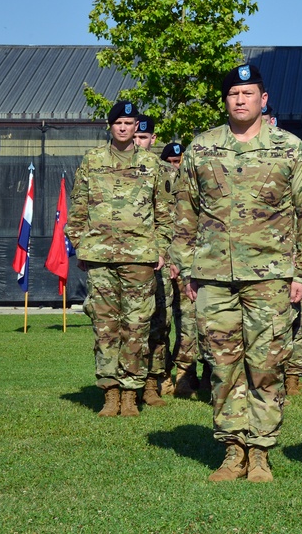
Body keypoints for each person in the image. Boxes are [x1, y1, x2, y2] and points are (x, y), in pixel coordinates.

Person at [171, 63, 302, 482]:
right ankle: (232, 449)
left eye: (248, 93)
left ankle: (259, 451)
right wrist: (186, 268)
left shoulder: (290, 149)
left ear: (264, 98)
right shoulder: (201, 149)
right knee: (222, 365)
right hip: (214, 276)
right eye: (233, 95)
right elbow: (183, 213)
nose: (240, 100)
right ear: (225, 101)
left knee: (266, 364)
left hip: (271, 276)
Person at [66, 100, 172, 418]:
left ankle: (131, 393)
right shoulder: (92, 160)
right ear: (110, 126)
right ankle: (110, 392)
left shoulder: (153, 165)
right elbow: (79, 205)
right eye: (118, 123)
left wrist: (161, 249)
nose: (124, 128)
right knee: (105, 327)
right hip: (99, 255)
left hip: (140, 255)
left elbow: (164, 211)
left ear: (137, 126)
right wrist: (79, 243)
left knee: (137, 326)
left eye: (129, 123)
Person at [158, 142, 208, 398]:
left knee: (191, 323)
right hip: (165, 264)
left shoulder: (195, 185)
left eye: (179, 162)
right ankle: (162, 375)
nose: (174, 166)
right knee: (162, 323)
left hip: (192, 263)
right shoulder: (158, 183)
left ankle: (186, 376)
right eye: (171, 161)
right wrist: (168, 259)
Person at [132, 114, 174, 405]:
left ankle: (152, 383)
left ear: (153, 139)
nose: (139, 142)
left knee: (158, 324)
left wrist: (171, 257)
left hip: (158, 260)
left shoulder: (166, 172)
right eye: (135, 137)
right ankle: (127, 383)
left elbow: (174, 219)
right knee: (128, 325)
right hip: (128, 260)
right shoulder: (117, 168)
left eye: (144, 138)